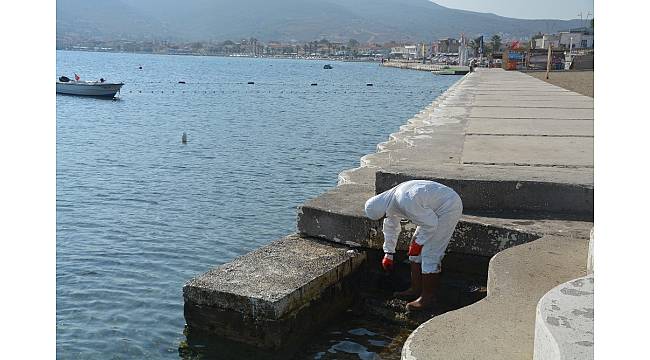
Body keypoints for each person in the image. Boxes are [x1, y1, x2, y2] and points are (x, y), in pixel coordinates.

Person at [364, 180, 463, 311]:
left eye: (382, 217)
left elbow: (431, 224)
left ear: (383, 211)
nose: (384, 219)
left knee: (430, 253)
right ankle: (415, 289)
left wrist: (419, 242)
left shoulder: (405, 200)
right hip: (432, 210)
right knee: (414, 252)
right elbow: (390, 226)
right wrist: (389, 253)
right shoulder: (388, 201)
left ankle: (427, 298)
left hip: (448, 207)